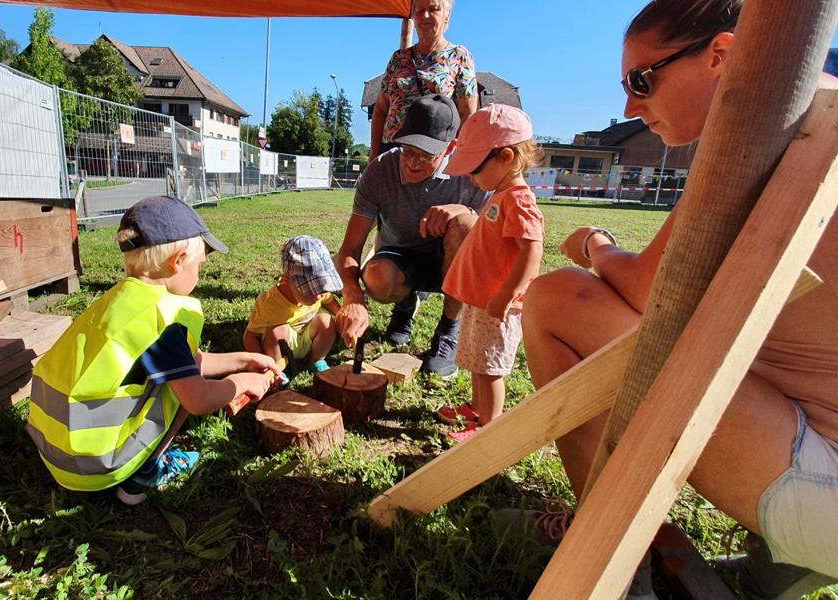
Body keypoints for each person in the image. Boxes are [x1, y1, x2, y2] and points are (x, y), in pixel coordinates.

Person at [518, 0, 838, 595]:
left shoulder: (773, 124)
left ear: (721, 54)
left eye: (642, 80)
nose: (629, 107)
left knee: (560, 298)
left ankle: (614, 561)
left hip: (820, 487)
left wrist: (595, 245)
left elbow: (648, 290)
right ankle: (783, 563)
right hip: (814, 465)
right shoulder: (821, 100)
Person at [26, 195, 281, 506]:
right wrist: (243, 383)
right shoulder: (165, 319)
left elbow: (190, 362)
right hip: (98, 466)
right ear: (179, 260)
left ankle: (135, 459)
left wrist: (244, 359)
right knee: (181, 391)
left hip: (58, 451)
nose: (199, 275)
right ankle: (143, 475)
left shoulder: (122, 300)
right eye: (199, 265)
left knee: (179, 377)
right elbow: (198, 399)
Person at [335, 95, 489, 378]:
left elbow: (500, 237)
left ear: (451, 147)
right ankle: (406, 304)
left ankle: (447, 332)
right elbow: (349, 250)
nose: (413, 163)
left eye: (426, 155)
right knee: (377, 277)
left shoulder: (473, 174)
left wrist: (464, 211)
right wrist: (353, 298)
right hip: (402, 256)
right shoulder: (380, 171)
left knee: (467, 224)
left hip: (452, 262)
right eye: (408, 150)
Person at [435, 105, 544, 441]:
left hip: (498, 307)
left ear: (506, 156)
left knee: (490, 369)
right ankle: (477, 408)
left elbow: (532, 248)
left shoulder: (519, 200)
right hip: (482, 302)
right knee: (476, 361)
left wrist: (507, 295)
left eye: (474, 168)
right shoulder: (501, 194)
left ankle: (487, 429)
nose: (470, 176)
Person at [368, 0, 477, 163]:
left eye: (433, 9)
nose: (425, 15)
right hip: (393, 151)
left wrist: (456, 157)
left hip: (434, 155)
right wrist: (374, 155)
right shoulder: (398, 58)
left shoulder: (459, 56)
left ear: (447, 15)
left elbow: (467, 115)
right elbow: (381, 109)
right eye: (419, 11)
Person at [243, 235, 343, 376]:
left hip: (309, 337)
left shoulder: (320, 293)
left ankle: (316, 360)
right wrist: (261, 364)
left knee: (326, 321)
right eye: (310, 289)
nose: (319, 295)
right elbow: (250, 337)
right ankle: (277, 369)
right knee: (277, 332)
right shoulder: (270, 304)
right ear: (287, 279)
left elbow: (329, 301)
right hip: (283, 345)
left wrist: (341, 316)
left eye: (322, 286)